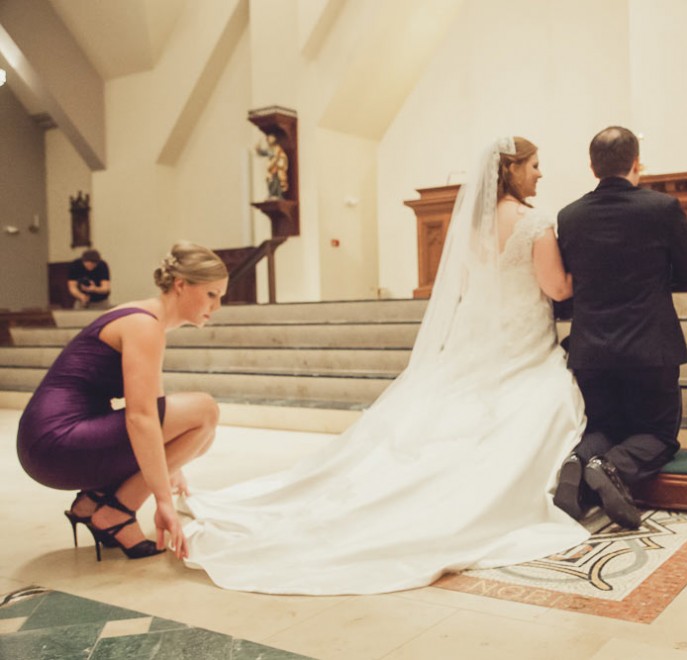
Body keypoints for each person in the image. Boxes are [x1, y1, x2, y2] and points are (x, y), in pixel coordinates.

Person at [181, 137, 590, 595]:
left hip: (479, 338)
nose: (540, 173)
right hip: (521, 344)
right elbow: (556, 288)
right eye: (534, 165)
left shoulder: (471, 226)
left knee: (449, 415)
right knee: (547, 399)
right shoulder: (533, 222)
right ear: (512, 169)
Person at [17, 242, 228, 561]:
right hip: (54, 443)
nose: (217, 306)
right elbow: (141, 418)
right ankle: (116, 512)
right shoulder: (145, 326)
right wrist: (163, 501)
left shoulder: (146, 319)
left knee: (201, 436)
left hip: (47, 441)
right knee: (205, 410)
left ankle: (93, 502)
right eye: (212, 294)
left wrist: (174, 463)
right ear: (182, 285)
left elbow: (154, 404)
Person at [554, 127, 687, 530]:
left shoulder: (569, 216)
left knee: (605, 425)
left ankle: (578, 461)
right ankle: (612, 467)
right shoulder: (661, 208)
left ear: (592, 167)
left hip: (590, 349)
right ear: (636, 164)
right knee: (659, 433)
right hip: (648, 345)